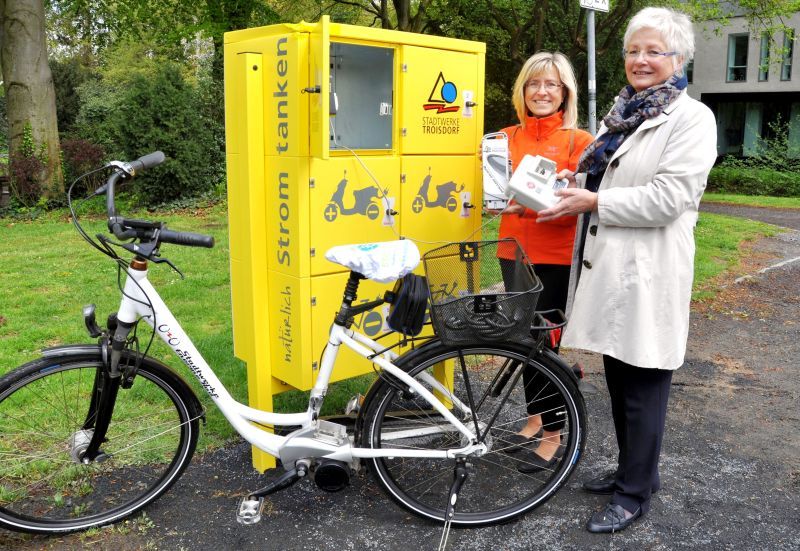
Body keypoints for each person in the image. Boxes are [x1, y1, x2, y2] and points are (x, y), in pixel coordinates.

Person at [536, 7, 717, 533]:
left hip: (649, 271)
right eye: (633, 50)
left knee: (643, 383)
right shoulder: (625, 113)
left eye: (653, 51)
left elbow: (668, 198)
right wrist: (577, 178)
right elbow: (609, 171)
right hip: (615, 269)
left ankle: (634, 494)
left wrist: (593, 202)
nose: (640, 60)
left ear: (678, 59)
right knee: (620, 375)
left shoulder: (690, 119)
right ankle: (632, 471)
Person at [490, 51, 592, 473]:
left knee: (541, 345)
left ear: (565, 91)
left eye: (551, 84)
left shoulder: (579, 143)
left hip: (554, 257)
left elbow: (577, 204)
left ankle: (554, 434)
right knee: (520, 341)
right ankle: (535, 418)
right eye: (534, 83)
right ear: (523, 90)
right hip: (511, 252)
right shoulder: (502, 138)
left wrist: (525, 206)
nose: (542, 91)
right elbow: (492, 192)